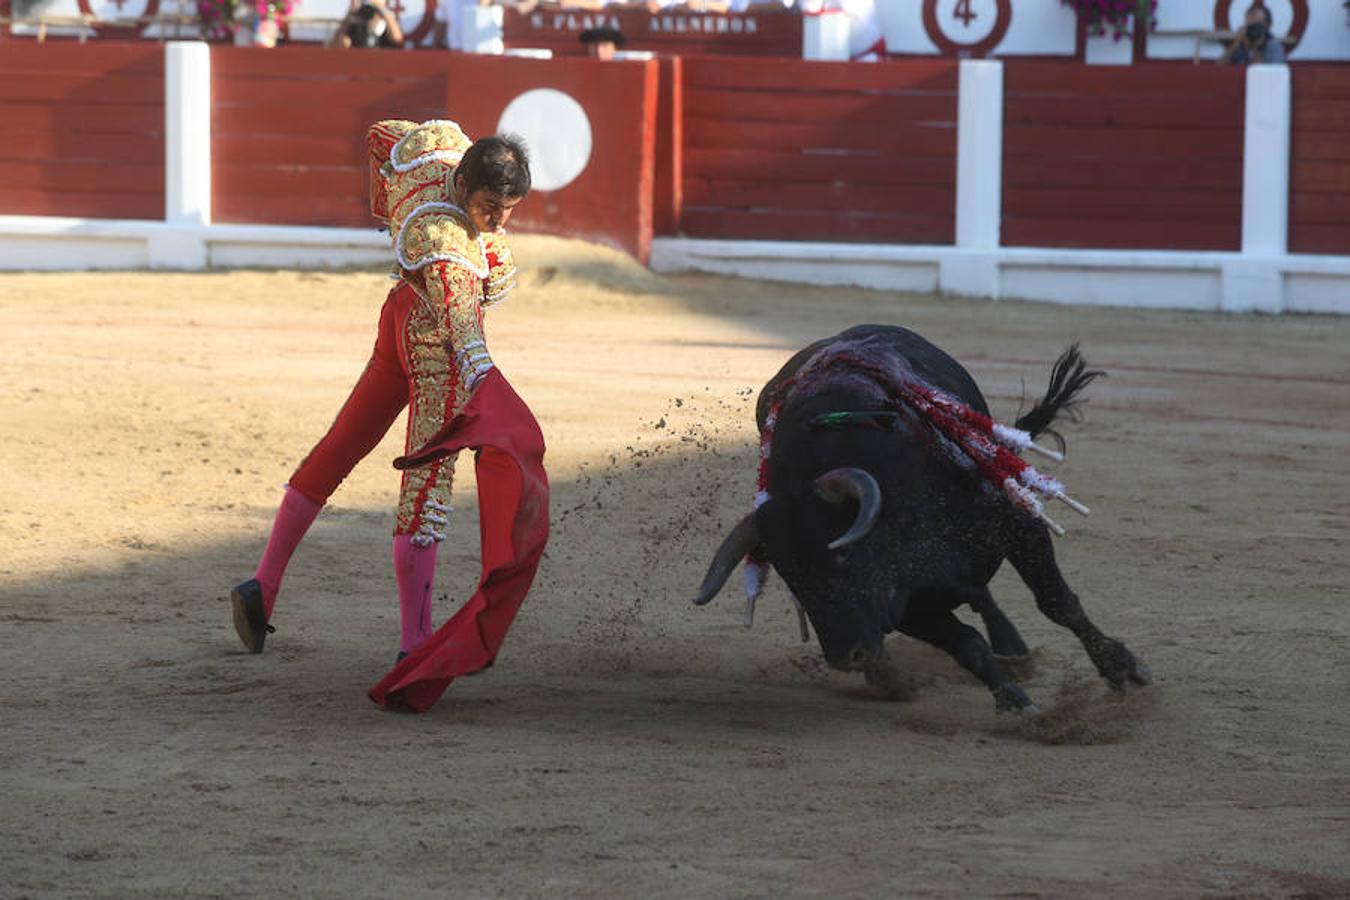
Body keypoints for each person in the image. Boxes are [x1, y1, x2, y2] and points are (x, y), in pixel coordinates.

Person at [230, 120, 530, 667]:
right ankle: (413, 646)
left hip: (396, 316)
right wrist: (485, 383)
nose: (494, 223)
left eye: (506, 211)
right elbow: (464, 329)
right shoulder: (447, 245)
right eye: (488, 208)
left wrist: (390, 220)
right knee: (427, 481)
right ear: (463, 185)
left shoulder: (439, 153)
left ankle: (262, 584)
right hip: (432, 340)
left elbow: (383, 135)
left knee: (341, 446)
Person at [1220, 2, 1286, 64]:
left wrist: (1256, 47)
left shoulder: (1273, 47)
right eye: (1252, 18)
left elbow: (1267, 72)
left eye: (1258, 22)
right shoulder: (1240, 44)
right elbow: (1220, 68)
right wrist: (1236, 44)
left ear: (1267, 25)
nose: (1253, 23)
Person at [328, 0, 405, 48]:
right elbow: (335, 46)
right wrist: (350, 13)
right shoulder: (355, 23)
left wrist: (381, 8)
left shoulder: (388, 24)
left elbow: (398, 40)